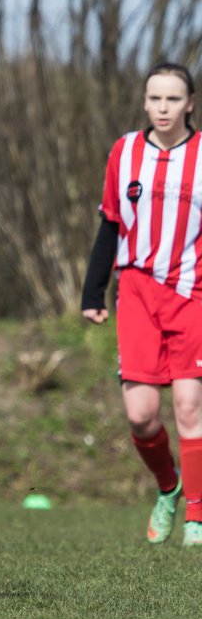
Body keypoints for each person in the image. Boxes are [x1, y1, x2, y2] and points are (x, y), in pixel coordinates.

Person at [81, 62, 202, 547]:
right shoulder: (125, 152)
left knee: (189, 404)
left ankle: (196, 515)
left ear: (189, 104)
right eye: (155, 99)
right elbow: (110, 223)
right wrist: (93, 292)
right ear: (146, 102)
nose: (163, 108)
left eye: (173, 99)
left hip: (192, 292)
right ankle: (169, 486)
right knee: (141, 414)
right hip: (134, 293)